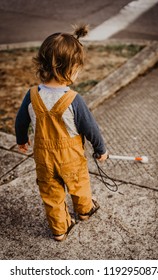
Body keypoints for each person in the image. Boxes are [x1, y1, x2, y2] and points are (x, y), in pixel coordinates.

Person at [15, 25, 107, 241]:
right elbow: (90, 128)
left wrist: (21, 140)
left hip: (43, 158)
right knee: (79, 184)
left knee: (51, 193)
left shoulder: (31, 95)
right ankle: (84, 210)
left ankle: (60, 229)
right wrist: (100, 149)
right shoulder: (74, 99)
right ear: (70, 68)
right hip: (70, 157)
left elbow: (21, 121)